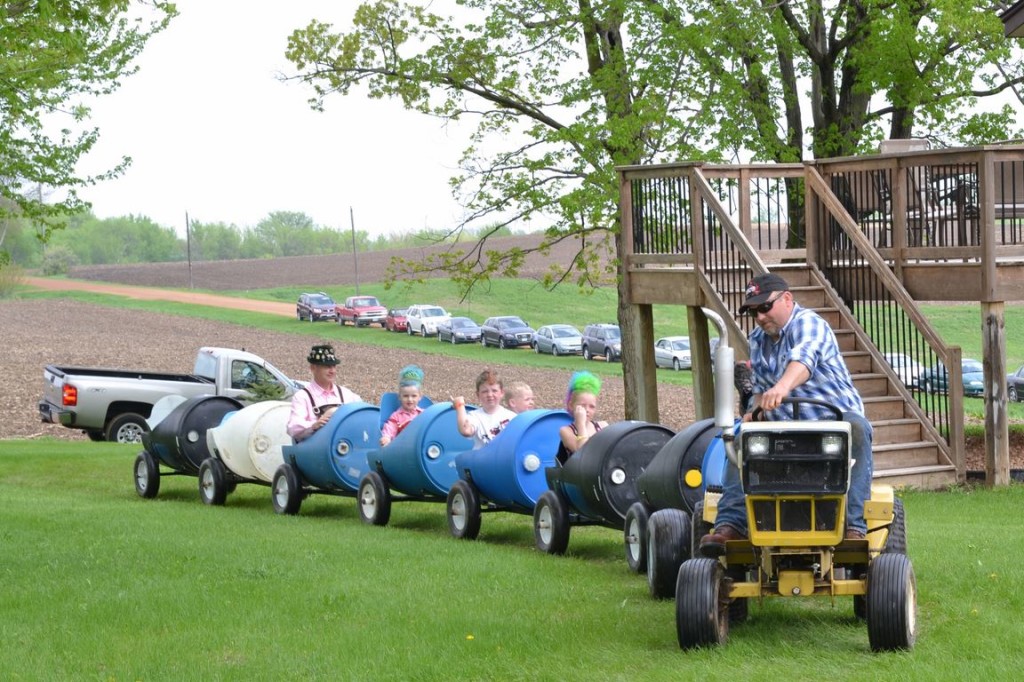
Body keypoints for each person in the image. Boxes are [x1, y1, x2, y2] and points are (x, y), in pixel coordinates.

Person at [699, 273, 874, 556]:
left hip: (831, 421)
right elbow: (761, 393)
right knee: (741, 437)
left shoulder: (809, 323)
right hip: (786, 425)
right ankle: (731, 522)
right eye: (753, 311)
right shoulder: (758, 339)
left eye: (764, 308)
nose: (759, 317)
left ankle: (854, 527)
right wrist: (753, 412)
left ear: (787, 299)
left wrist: (782, 387)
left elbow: (804, 358)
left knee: (857, 428)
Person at [287, 343, 362, 442]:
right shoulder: (302, 397)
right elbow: (293, 428)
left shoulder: (346, 394)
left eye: (334, 366)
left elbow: (362, 414)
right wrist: (314, 425)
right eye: (327, 366)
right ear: (313, 368)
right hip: (314, 453)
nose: (332, 371)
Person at [555, 371, 608, 465]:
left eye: (592, 406)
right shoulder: (566, 431)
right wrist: (580, 424)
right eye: (583, 406)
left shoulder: (603, 427)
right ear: (571, 405)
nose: (587, 410)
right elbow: (582, 452)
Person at [454, 369, 517, 449]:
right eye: (485, 391)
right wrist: (459, 405)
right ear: (478, 395)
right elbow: (465, 430)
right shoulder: (475, 416)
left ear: (502, 393)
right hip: (481, 460)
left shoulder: (512, 417)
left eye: (494, 391)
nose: (490, 395)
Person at [379, 364, 425, 446]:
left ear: (420, 397)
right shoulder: (396, 416)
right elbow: (390, 427)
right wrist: (386, 437)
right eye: (405, 396)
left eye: (414, 396)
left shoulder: (424, 414)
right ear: (400, 397)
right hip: (403, 448)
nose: (410, 399)